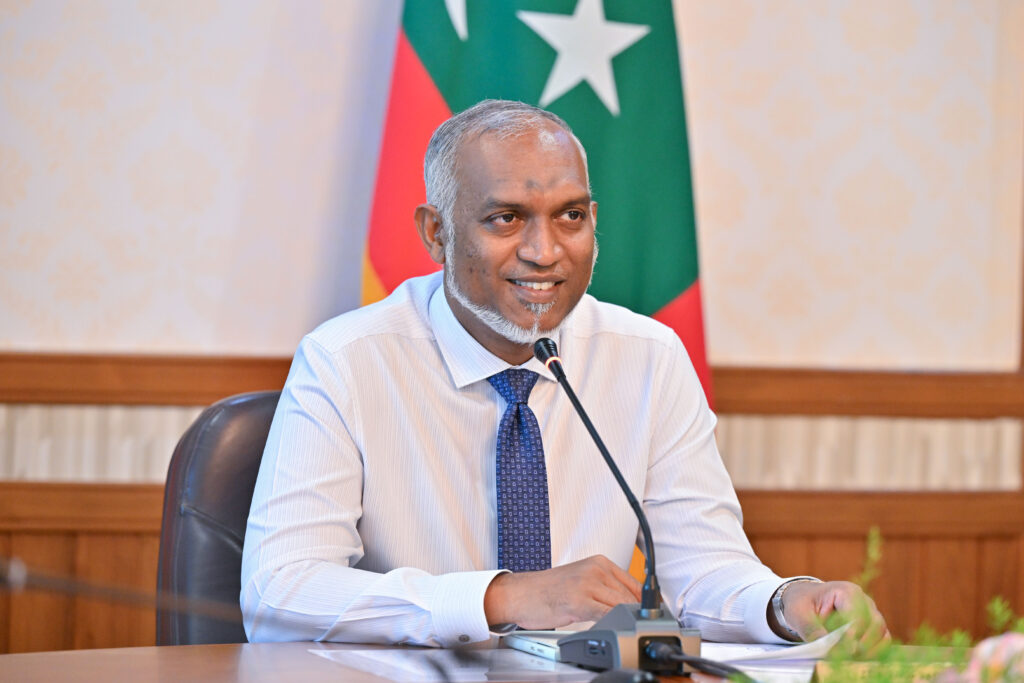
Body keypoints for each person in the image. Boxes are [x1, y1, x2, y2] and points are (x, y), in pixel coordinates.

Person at [240, 99, 888, 649]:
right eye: (506, 218)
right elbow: (279, 593)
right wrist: (501, 597)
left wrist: (784, 604)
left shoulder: (649, 357)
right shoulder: (346, 360)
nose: (545, 252)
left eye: (570, 216)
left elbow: (704, 570)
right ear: (436, 233)